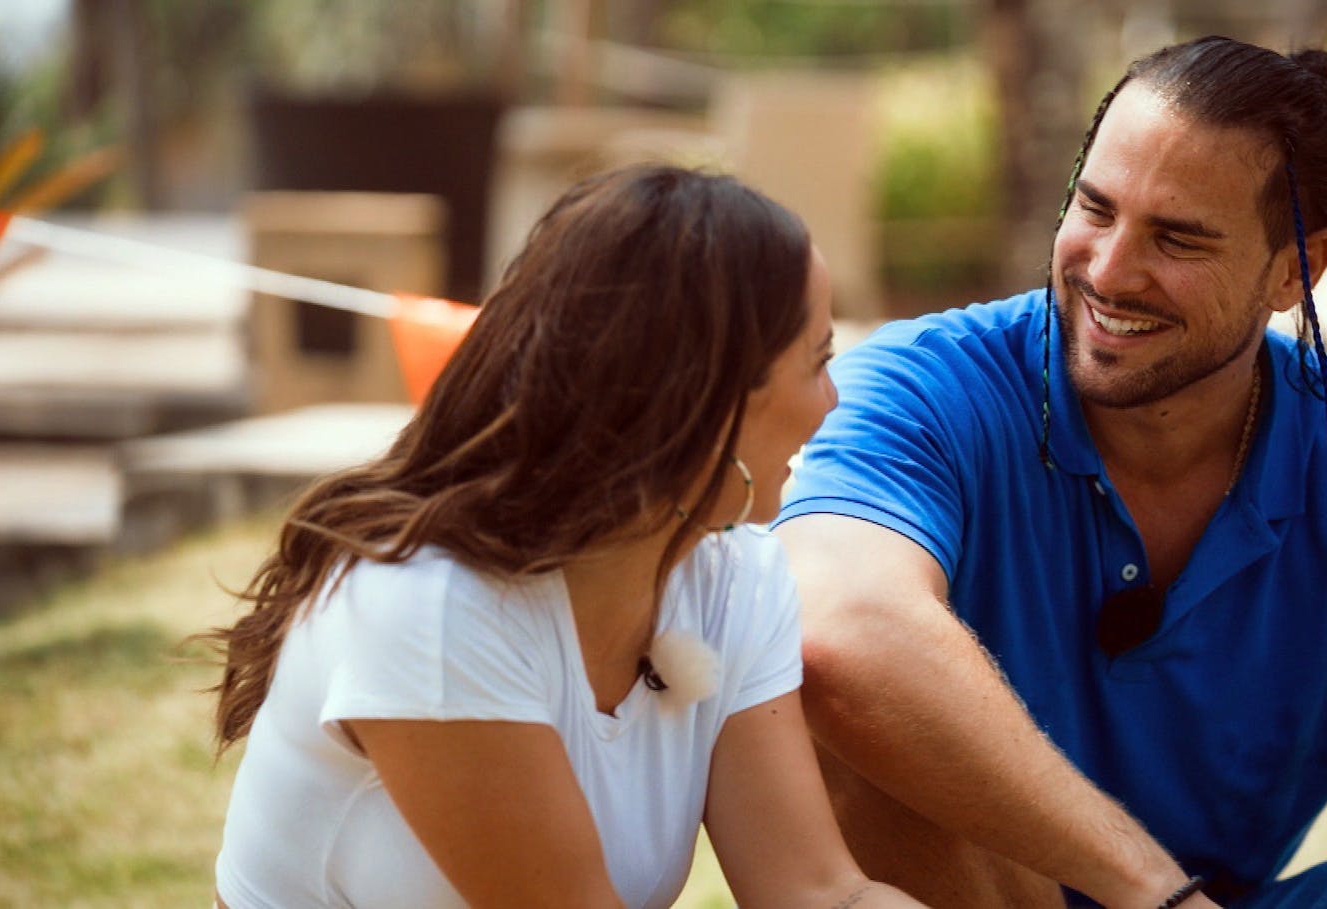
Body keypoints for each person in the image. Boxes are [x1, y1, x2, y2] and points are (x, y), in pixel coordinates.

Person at [775, 36, 1327, 909]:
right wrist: (1157, 896)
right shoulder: (930, 385)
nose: (1107, 270)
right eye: (1094, 209)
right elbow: (838, 625)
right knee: (860, 730)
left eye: (1176, 239)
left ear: (1298, 269)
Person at [203, 165, 928, 909]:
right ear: (702, 400)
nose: (831, 403)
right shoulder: (433, 605)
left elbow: (815, 891)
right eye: (817, 363)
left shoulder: (733, 578)